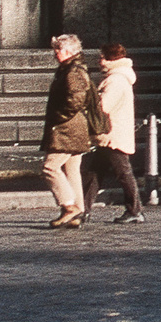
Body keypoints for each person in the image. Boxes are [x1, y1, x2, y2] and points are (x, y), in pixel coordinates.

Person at [41, 33, 97, 229]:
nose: (55, 54)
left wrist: (60, 117)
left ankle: (69, 206)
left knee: (50, 167)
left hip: (68, 129)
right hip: (74, 128)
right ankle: (78, 211)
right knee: (71, 169)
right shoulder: (72, 68)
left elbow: (75, 100)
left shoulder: (73, 71)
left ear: (68, 51)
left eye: (58, 50)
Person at [86, 41, 145, 221]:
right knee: (96, 172)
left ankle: (135, 210)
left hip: (112, 135)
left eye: (102, 57)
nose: (99, 61)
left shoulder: (115, 80)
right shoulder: (119, 77)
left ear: (110, 59)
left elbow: (103, 107)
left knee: (121, 173)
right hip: (113, 133)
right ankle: (84, 209)